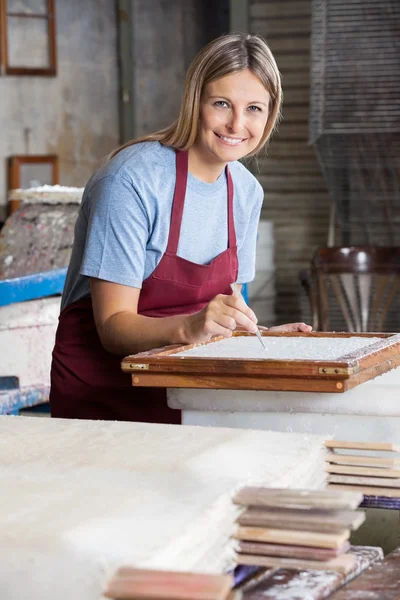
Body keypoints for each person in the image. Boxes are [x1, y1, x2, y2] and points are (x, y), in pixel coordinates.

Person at [50, 32, 311, 422]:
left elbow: (221, 311)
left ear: (270, 114)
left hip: (189, 396)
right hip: (103, 398)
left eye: (254, 108)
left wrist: (260, 337)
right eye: (221, 103)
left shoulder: (245, 192)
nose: (237, 124)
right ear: (195, 102)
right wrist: (190, 328)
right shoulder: (131, 180)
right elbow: (112, 327)